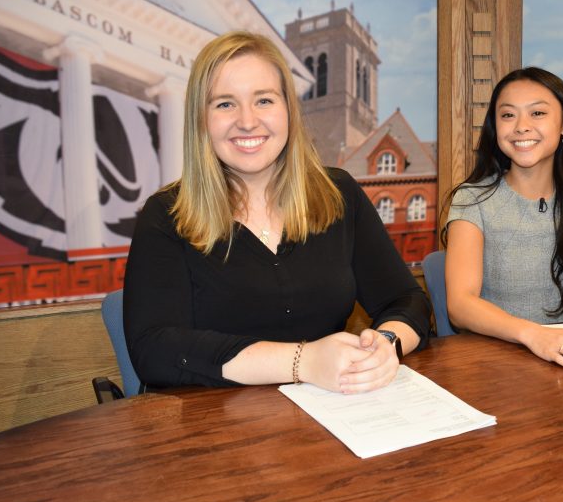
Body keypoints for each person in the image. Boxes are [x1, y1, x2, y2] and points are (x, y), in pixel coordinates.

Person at [124, 31, 430, 393]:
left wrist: (386, 345)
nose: (248, 121)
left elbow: (406, 301)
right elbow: (155, 349)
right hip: (214, 426)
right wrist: (304, 361)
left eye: (264, 100)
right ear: (200, 120)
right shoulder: (165, 216)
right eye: (224, 104)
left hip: (334, 412)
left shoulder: (339, 193)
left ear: (289, 110)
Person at [444, 67, 563, 371]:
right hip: (492, 358)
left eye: (537, 114)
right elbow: (460, 304)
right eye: (508, 115)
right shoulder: (472, 199)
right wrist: (533, 335)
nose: (521, 126)